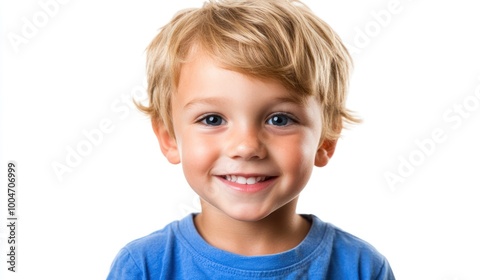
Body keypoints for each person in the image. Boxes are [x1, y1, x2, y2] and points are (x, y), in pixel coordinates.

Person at [107, 0, 395, 279]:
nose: (246, 147)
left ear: (326, 139)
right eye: (212, 119)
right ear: (169, 137)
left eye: (279, 119)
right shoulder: (144, 268)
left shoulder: (361, 268)